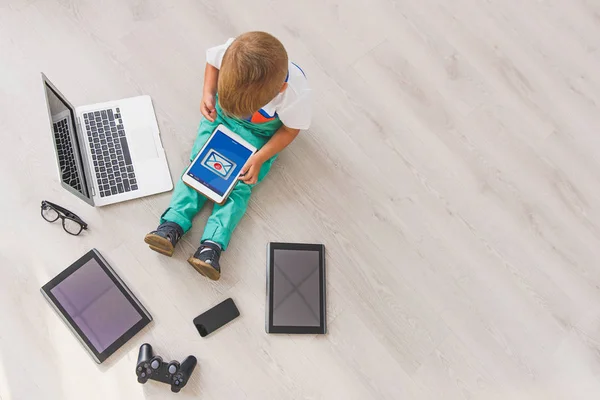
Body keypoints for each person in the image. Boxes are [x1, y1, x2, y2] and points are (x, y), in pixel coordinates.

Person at [144, 31, 312, 280]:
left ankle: (211, 246)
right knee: (199, 169)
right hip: (222, 116)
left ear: (281, 90)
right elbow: (212, 63)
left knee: (239, 185)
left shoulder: (295, 95)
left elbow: (289, 131)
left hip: (259, 137)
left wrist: (260, 157)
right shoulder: (235, 53)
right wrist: (208, 94)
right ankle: (173, 223)